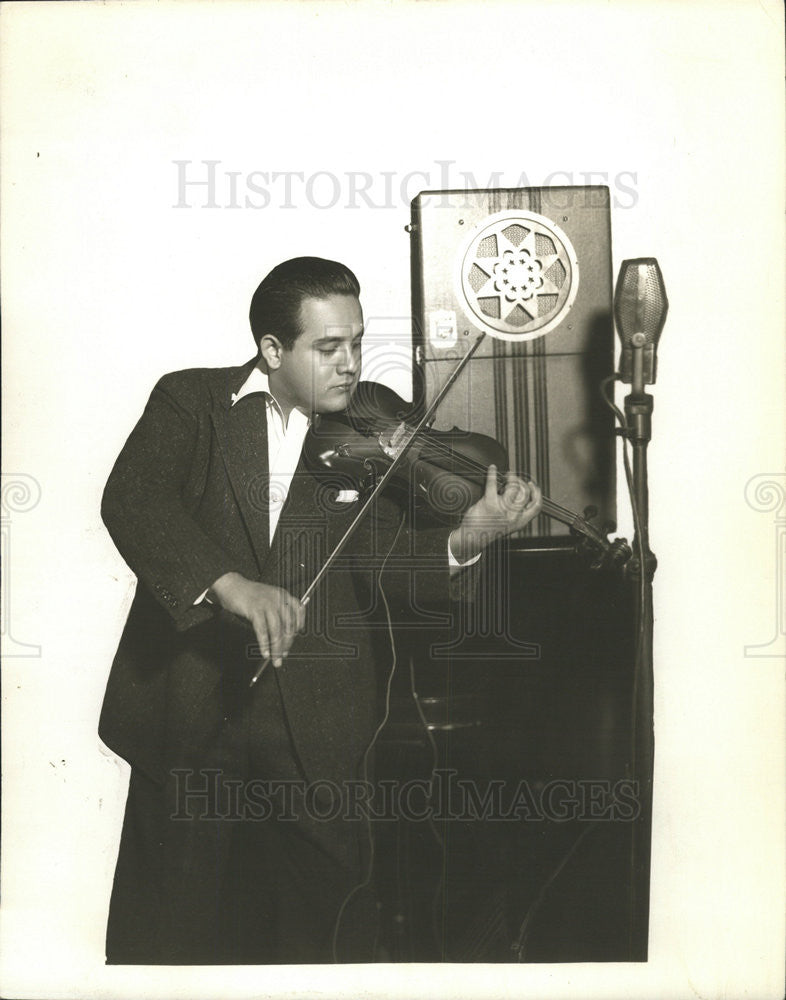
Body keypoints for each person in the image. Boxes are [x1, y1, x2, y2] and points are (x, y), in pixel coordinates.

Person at [99, 256, 541, 964]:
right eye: (328, 348)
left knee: (325, 937)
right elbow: (135, 501)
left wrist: (466, 537)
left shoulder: (358, 434)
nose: (350, 366)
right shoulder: (192, 404)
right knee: (172, 938)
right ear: (273, 350)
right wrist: (230, 584)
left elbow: (380, 560)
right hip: (190, 709)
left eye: (357, 343)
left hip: (316, 722)